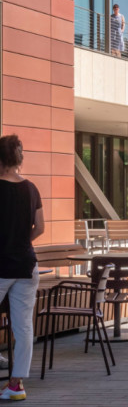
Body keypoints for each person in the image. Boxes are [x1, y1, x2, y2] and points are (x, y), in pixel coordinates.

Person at [0, 134, 45, 402]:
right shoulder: (31, 188)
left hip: (2, 266)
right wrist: (20, 241)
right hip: (27, 266)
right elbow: (40, 228)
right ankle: (16, 385)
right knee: (23, 326)